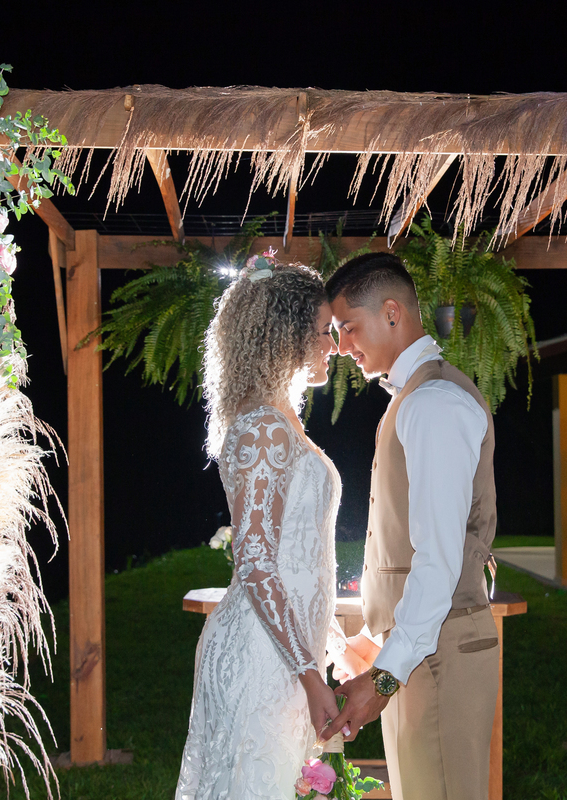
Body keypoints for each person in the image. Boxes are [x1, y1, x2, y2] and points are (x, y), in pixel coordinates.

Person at [319, 252, 500, 800]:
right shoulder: (413, 399)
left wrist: (383, 678)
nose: (342, 346)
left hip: (437, 654)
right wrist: (377, 645)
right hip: (417, 649)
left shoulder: (434, 404)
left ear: (392, 312)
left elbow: (438, 561)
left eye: (348, 328)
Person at [174, 257, 349, 800]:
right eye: (325, 331)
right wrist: (309, 673)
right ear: (289, 332)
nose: (334, 345)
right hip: (261, 657)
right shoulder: (264, 429)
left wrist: (331, 644)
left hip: (288, 655)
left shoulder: (279, 419)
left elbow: (303, 558)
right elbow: (255, 563)